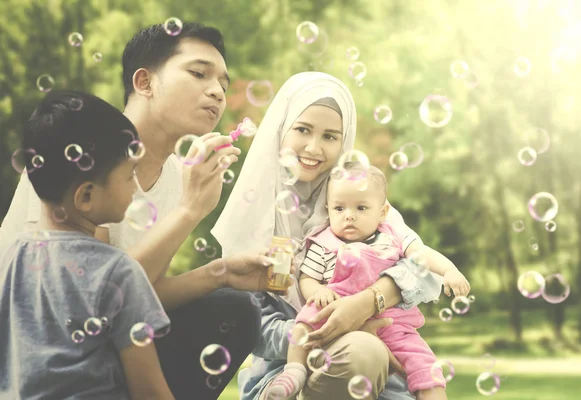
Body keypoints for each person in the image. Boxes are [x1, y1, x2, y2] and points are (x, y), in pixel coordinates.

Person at [0, 22, 288, 399]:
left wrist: (220, 272)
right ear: (144, 82)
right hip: (34, 346)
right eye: (199, 73)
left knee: (235, 308)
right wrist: (189, 210)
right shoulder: (80, 153)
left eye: (223, 82)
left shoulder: (173, 174)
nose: (217, 91)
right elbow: (90, 293)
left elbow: (138, 293)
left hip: (103, 334)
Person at [212, 72, 458, 400]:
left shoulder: (353, 203)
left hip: (381, 372)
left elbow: (423, 270)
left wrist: (369, 300)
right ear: (281, 129)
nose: (314, 148)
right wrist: (333, 329)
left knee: (373, 355)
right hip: (286, 373)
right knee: (362, 351)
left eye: (330, 136)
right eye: (302, 130)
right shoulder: (263, 219)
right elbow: (252, 326)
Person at [0, 90, 176, 399]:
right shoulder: (117, 272)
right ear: (86, 196)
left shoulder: (10, 256)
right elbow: (151, 393)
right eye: (128, 174)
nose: (135, 187)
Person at [268, 163, 470, 400]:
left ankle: (433, 395)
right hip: (334, 310)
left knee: (423, 361)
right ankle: (294, 371)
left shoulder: (392, 237)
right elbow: (307, 277)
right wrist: (318, 291)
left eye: (361, 208)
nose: (349, 215)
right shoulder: (323, 243)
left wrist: (450, 270)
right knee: (304, 324)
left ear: (382, 212)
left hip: (391, 321)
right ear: (328, 209)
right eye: (339, 208)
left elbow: (422, 254)